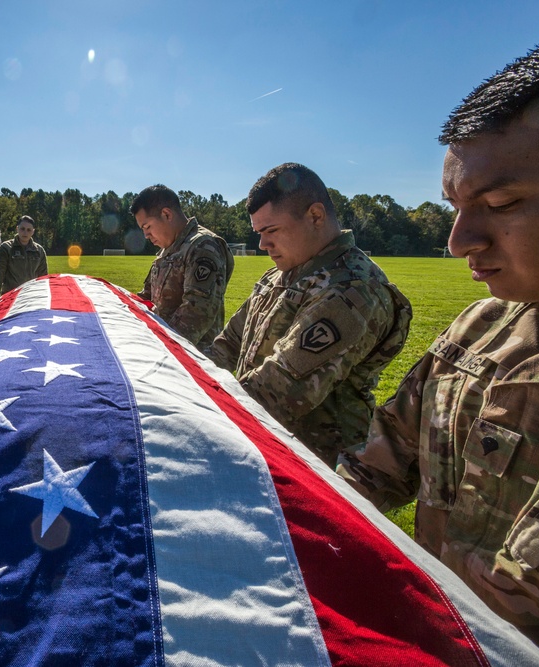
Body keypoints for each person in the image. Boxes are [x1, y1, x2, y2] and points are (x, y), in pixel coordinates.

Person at [337, 33, 539, 661]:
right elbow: (376, 465)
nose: (459, 239)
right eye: (455, 206)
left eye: (501, 203)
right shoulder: (481, 327)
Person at [208, 164, 411, 466]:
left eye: (271, 231)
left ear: (316, 216)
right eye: (259, 233)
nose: (262, 244)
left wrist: (196, 409)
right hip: (267, 446)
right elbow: (227, 344)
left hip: (316, 465)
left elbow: (277, 390)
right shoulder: (281, 275)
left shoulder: (353, 290)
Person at [132, 185, 234, 348]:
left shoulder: (203, 246)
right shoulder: (166, 251)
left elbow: (196, 314)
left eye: (147, 227)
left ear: (166, 214)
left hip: (189, 359)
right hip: (165, 349)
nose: (146, 235)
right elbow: (148, 295)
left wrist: (161, 348)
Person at [0, 215, 49, 300]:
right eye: (22, 229)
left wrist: (43, 295)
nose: (25, 233)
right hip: (10, 297)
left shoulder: (39, 251)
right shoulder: (6, 248)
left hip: (32, 297)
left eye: (29, 230)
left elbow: (43, 277)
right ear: (17, 229)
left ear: (33, 232)